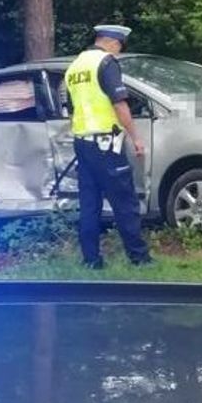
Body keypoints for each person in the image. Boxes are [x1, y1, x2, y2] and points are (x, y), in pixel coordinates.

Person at [64, 24, 154, 269]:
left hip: (82, 142)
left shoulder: (74, 67)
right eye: (119, 47)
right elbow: (119, 103)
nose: (118, 52)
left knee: (89, 203)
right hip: (106, 142)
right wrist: (135, 137)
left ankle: (91, 260)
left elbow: (73, 106)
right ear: (113, 42)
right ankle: (139, 257)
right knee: (124, 200)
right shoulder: (106, 63)